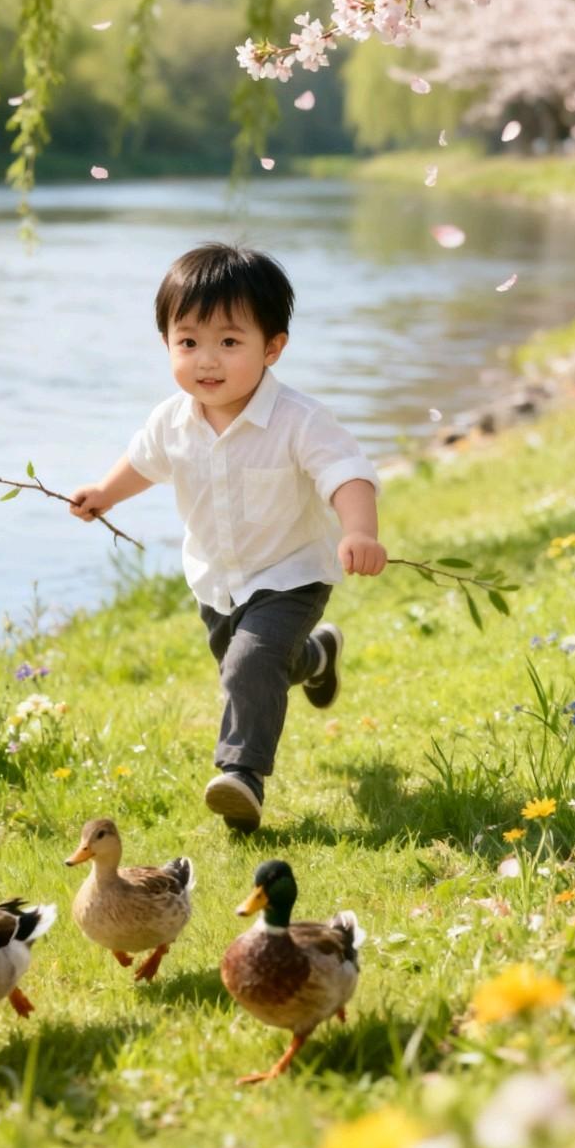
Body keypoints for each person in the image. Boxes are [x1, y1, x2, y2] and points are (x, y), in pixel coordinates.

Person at [70, 243, 387, 832]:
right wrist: (105, 494)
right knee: (252, 670)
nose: (206, 360)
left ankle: (241, 777)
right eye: (187, 342)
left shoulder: (300, 420)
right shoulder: (172, 419)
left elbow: (347, 474)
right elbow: (144, 461)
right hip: (217, 580)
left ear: (273, 348)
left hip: (292, 573)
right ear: (166, 343)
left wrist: (359, 530)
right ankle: (316, 656)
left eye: (229, 342)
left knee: (250, 665)